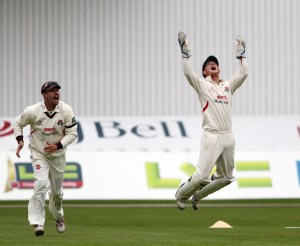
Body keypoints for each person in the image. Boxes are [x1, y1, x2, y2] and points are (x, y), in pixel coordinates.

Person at [175, 31, 248, 210]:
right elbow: (187, 72)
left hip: (228, 136)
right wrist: (185, 51)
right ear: (204, 71)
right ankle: (180, 195)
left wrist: (241, 54)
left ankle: (197, 196)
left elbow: (244, 73)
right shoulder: (202, 85)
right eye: (209, 64)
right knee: (202, 177)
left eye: (215, 63)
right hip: (212, 136)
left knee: (226, 178)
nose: (213, 64)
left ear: (219, 69)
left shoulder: (227, 86)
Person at [13, 81, 78, 236]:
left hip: (58, 155)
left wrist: (58, 146)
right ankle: (37, 223)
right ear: (44, 95)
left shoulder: (66, 110)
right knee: (41, 183)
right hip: (39, 153)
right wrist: (20, 140)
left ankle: (58, 217)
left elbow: (72, 134)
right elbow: (17, 122)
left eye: (57, 90)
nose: (56, 93)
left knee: (57, 193)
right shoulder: (33, 111)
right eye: (52, 91)